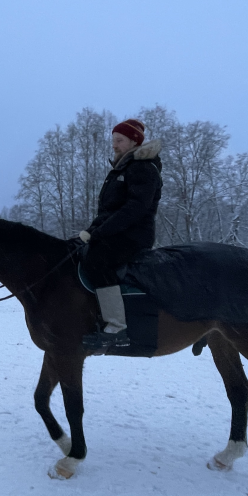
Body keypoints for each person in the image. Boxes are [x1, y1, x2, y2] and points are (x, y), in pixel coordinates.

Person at [79, 119, 162, 350]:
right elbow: (109, 211)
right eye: (113, 140)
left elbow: (134, 209)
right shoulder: (121, 168)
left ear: (134, 141)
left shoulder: (143, 167)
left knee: (98, 260)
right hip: (119, 232)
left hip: (135, 235)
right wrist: (89, 232)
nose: (114, 145)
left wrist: (100, 233)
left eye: (119, 140)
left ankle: (117, 327)